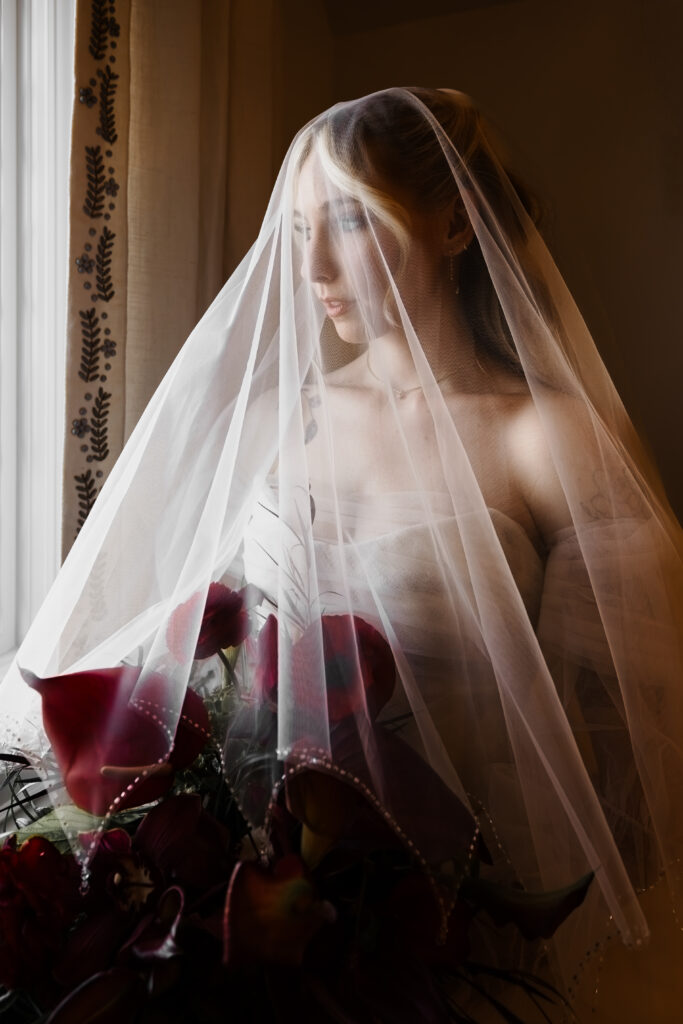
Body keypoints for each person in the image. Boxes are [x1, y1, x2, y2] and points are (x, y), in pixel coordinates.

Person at [1, 87, 682, 1021]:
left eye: (353, 220)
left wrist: (465, 916)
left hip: (460, 939)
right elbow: (205, 659)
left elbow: (626, 759)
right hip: (265, 925)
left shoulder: (545, 441)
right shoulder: (288, 424)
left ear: (454, 224)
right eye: (300, 227)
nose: (313, 264)